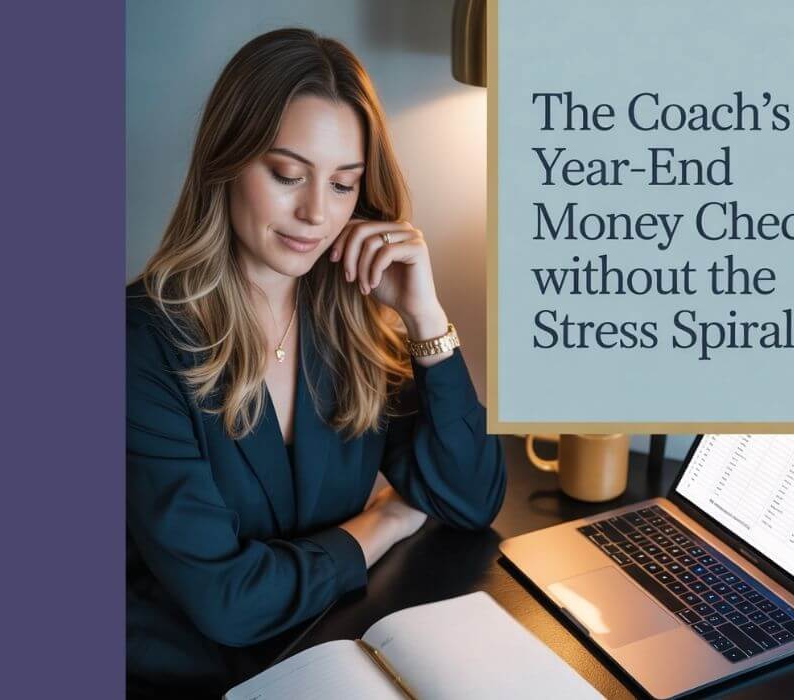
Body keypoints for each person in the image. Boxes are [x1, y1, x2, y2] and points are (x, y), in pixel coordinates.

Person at [127, 27, 505, 695]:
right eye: (286, 174)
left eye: (342, 184)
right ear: (225, 159)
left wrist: (425, 320)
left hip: (315, 647)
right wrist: (383, 520)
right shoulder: (139, 344)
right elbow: (228, 602)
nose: (314, 213)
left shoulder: (349, 319)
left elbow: (468, 498)